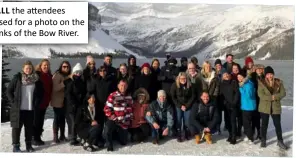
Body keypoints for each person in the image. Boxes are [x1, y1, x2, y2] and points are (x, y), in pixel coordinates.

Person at [7, 61, 43, 152]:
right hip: (18, 108)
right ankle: (16, 146)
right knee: (16, 128)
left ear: (32, 69)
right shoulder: (17, 78)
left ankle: (29, 145)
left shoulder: (36, 79)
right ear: (23, 69)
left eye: (30, 68)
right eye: (26, 68)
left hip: (30, 109)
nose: (28, 70)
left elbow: (40, 93)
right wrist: (13, 102)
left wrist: (37, 103)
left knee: (29, 128)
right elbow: (8, 91)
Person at [257, 66, 288, 150]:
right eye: (268, 74)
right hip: (264, 107)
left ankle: (280, 141)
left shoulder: (278, 82)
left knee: (277, 125)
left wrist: (275, 97)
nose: (270, 76)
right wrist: (271, 98)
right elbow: (261, 95)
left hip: (275, 107)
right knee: (264, 125)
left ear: (273, 74)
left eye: (271, 74)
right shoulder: (261, 82)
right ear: (265, 75)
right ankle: (263, 140)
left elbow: (283, 93)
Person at [103, 80, 133, 151]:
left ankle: (116, 134)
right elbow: (107, 108)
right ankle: (109, 144)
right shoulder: (113, 95)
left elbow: (131, 110)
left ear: (127, 86)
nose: (123, 87)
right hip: (114, 120)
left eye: (125, 85)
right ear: (118, 86)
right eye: (121, 85)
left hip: (123, 122)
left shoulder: (129, 97)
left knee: (124, 142)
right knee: (107, 130)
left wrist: (129, 120)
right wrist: (114, 117)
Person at [64, 63, 86, 146]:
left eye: (80, 72)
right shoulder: (70, 82)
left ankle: (76, 136)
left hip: (79, 106)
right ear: (73, 72)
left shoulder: (82, 82)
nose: (78, 74)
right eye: (77, 72)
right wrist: (72, 103)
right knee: (73, 122)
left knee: (77, 122)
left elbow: (83, 93)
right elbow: (68, 94)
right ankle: (72, 139)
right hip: (72, 106)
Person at [170, 72, 196, 142]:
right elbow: (173, 97)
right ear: (179, 78)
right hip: (179, 106)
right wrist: (180, 106)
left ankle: (186, 132)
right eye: (181, 78)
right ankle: (179, 133)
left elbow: (192, 96)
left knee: (187, 120)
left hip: (188, 105)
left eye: (184, 78)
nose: (183, 80)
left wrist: (187, 105)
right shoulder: (175, 85)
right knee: (178, 119)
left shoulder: (190, 85)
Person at [33, 59, 52, 146]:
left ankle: (38, 137)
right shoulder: (37, 75)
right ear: (40, 66)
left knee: (41, 121)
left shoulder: (49, 76)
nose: (46, 66)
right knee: (36, 121)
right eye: (44, 65)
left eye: (47, 65)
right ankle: (34, 138)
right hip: (37, 102)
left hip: (45, 102)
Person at [51, 61, 71, 143]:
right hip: (57, 100)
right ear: (61, 67)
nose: (65, 68)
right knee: (57, 118)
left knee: (62, 118)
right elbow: (55, 88)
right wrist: (64, 82)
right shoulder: (57, 75)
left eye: (67, 67)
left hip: (65, 101)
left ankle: (62, 135)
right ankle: (55, 136)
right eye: (64, 66)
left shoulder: (67, 75)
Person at [219, 72, 240, 144]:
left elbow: (237, 93)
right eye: (224, 75)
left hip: (233, 105)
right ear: (222, 77)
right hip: (226, 106)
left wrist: (234, 103)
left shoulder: (233, 82)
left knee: (233, 121)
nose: (226, 76)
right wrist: (223, 103)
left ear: (230, 76)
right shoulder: (221, 84)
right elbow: (221, 95)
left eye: (227, 74)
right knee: (227, 122)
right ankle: (230, 134)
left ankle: (234, 137)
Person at [237, 73, 256, 144]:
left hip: (248, 106)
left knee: (246, 123)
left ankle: (251, 138)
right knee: (247, 123)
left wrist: (241, 89)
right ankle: (249, 136)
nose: (238, 78)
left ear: (244, 77)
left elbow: (249, 95)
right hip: (246, 106)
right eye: (237, 77)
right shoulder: (247, 83)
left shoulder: (248, 84)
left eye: (240, 76)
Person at [249, 64, 265, 140]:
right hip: (254, 99)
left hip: (262, 100)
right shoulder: (252, 76)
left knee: (261, 117)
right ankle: (254, 131)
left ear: (262, 70)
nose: (259, 70)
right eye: (257, 69)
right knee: (255, 116)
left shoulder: (265, 77)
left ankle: (260, 132)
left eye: (260, 68)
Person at [214, 59, 227, 133]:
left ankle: (226, 125)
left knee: (225, 110)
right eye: (217, 65)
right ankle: (218, 126)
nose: (218, 66)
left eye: (219, 65)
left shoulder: (224, 71)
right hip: (216, 95)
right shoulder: (214, 72)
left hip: (223, 94)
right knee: (217, 112)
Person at [231, 63, 243, 137]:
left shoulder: (241, 76)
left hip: (241, 99)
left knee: (240, 116)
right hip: (233, 99)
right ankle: (234, 131)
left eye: (236, 68)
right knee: (233, 117)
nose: (235, 69)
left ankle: (239, 130)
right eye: (234, 68)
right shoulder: (230, 76)